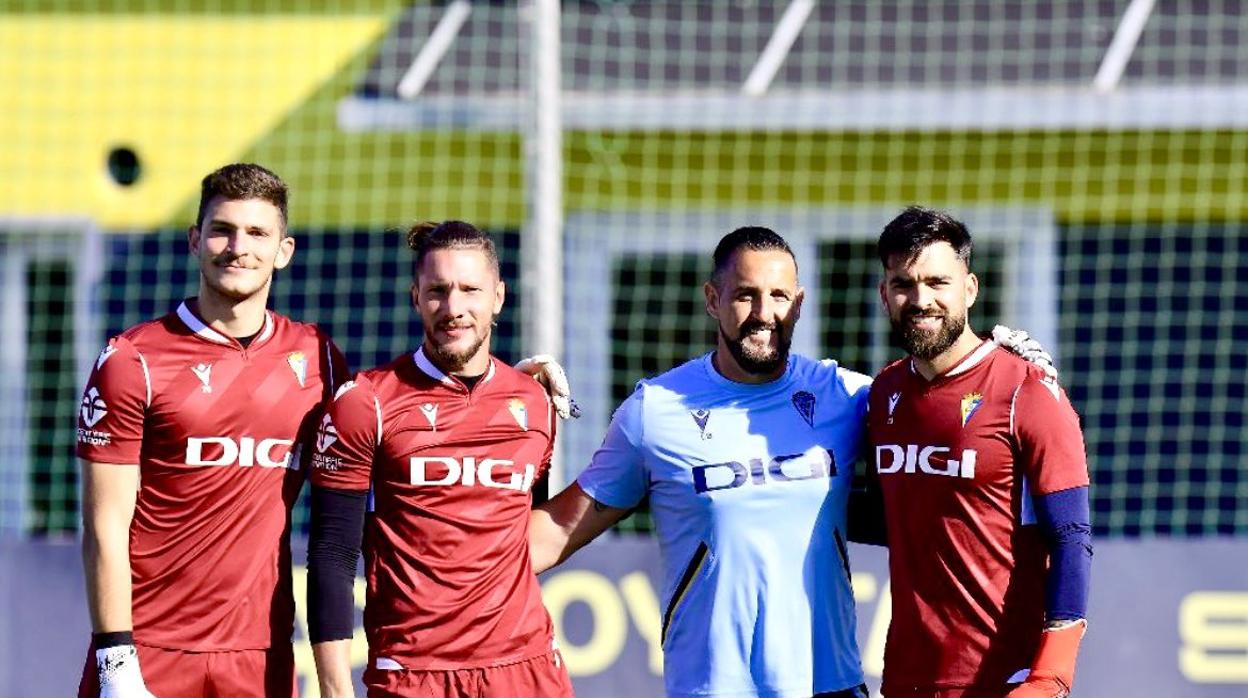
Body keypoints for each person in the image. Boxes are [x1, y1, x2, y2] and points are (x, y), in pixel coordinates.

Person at [530, 227, 873, 698]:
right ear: (713, 299)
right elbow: (557, 530)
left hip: (830, 682)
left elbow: (947, 439)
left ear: (799, 302)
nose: (764, 314)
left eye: (778, 296)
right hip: (711, 687)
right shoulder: (655, 410)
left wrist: (998, 370)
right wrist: (494, 399)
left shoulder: (846, 397)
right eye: (745, 296)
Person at [77, 163, 348, 697]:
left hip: (261, 654)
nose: (237, 248)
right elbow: (104, 525)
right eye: (222, 230)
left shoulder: (318, 359)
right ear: (195, 240)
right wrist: (116, 661)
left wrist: (502, 379)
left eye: (257, 234)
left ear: (284, 251)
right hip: (149, 650)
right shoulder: (133, 359)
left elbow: (398, 420)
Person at [306, 221, 574, 698]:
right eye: (437, 291)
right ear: (415, 297)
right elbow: (331, 554)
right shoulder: (365, 401)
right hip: (413, 673)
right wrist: (333, 687)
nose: (454, 308)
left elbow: (522, 534)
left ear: (498, 297)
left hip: (526, 668)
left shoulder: (534, 404)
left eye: (470, 290)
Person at [867, 206, 1092, 698]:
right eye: (903, 284)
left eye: (937, 282)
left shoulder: (1027, 390)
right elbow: (890, 517)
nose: (920, 299)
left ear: (969, 288)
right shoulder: (882, 393)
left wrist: (1051, 675)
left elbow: (1071, 535)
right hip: (905, 680)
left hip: (1002, 680)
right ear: (885, 295)